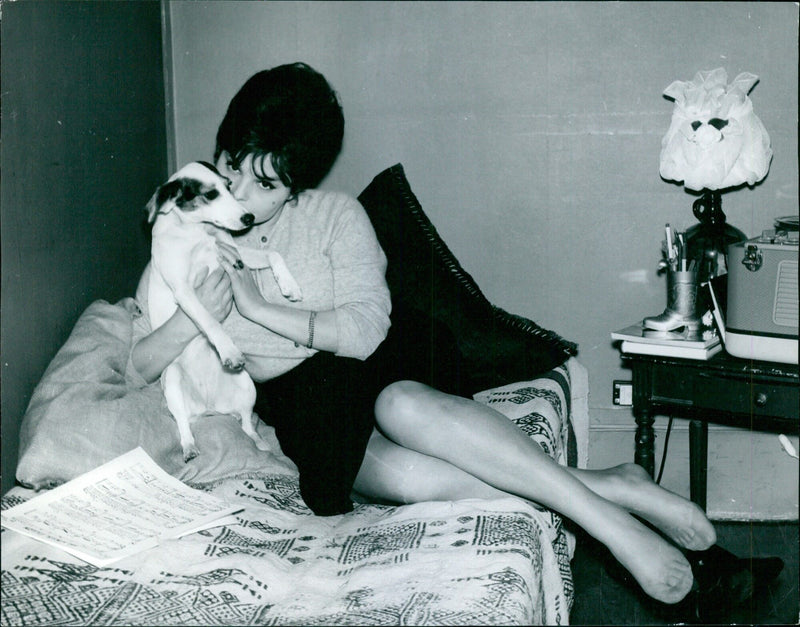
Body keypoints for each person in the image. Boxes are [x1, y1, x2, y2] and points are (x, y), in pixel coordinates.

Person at [130, 62, 715, 605]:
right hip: (307, 403)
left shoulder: (336, 216)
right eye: (232, 168)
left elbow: (363, 331)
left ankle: (611, 527)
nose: (240, 197)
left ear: (296, 184)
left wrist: (256, 308)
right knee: (419, 480)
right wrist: (191, 316)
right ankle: (615, 485)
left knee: (401, 404)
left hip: (382, 359)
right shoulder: (190, 226)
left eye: (266, 186)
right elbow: (139, 364)